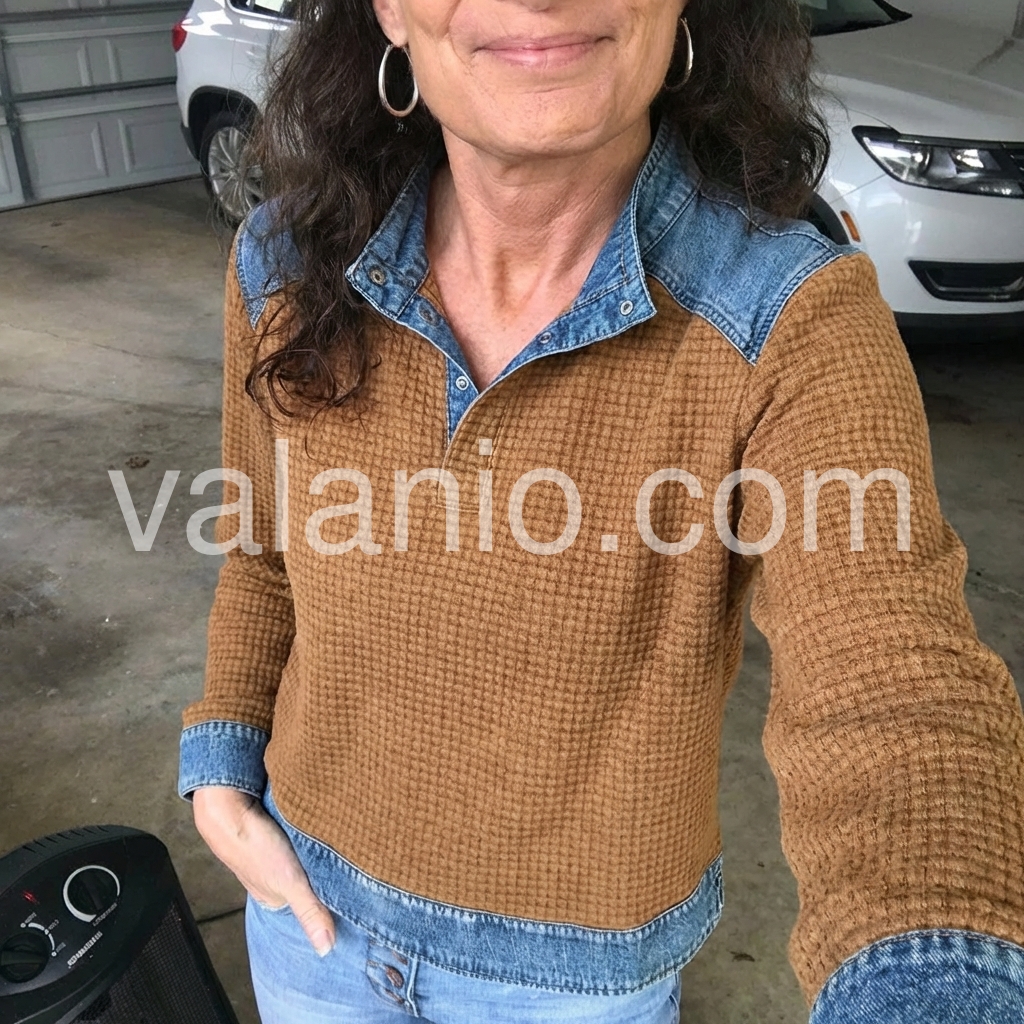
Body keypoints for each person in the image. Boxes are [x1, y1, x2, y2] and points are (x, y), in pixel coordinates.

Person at [177, 0, 1024, 1021]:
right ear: (391, 12)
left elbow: (894, 685)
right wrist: (221, 767)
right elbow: (263, 552)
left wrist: (937, 979)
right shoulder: (286, 259)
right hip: (306, 920)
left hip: (570, 987)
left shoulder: (787, 317)